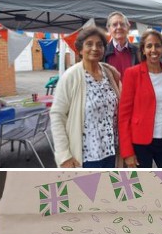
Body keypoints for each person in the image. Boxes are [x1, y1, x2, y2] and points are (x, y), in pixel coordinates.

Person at [49, 26, 121, 168]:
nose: (95, 48)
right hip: (87, 156)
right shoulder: (71, 76)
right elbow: (57, 115)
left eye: (99, 45)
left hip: (111, 151)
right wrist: (64, 156)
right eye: (89, 44)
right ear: (80, 49)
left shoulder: (109, 74)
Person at [119, 30, 162, 168]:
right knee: (141, 186)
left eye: (157, 46)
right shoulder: (132, 74)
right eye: (149, 46)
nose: (153, 50)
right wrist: (127, 152)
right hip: (140, 142)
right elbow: (124, 116)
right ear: (143, 50)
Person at [103, 12, 139, 76]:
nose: (119, 27)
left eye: (122, 24)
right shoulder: (102, 52)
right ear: (109, 29)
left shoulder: (138, 52)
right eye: (114, 25)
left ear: (128, 28)